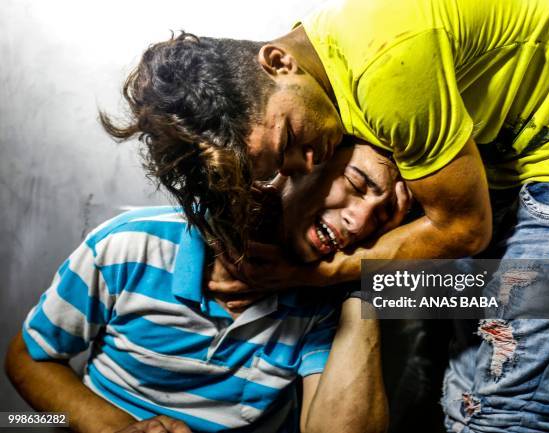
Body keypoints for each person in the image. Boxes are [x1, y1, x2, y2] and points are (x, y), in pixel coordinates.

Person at [98, 0, 549, 430]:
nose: (366, 223)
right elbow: (538, 288)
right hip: (513, 158)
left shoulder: (384, 80)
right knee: (469, 394)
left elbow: (467, 233)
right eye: (279, 165)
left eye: (291, 143)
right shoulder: (329, 103)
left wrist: (338, 275)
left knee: (503, 407)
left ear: (279, 62)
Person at [5, 143, 401, 433]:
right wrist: (116, 429)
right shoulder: (127, 245)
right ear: (301, 163)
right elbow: (29, 359)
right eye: (356, 182)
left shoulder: (324, 301)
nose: (361, 221)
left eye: (384, 217)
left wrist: (363, 281)